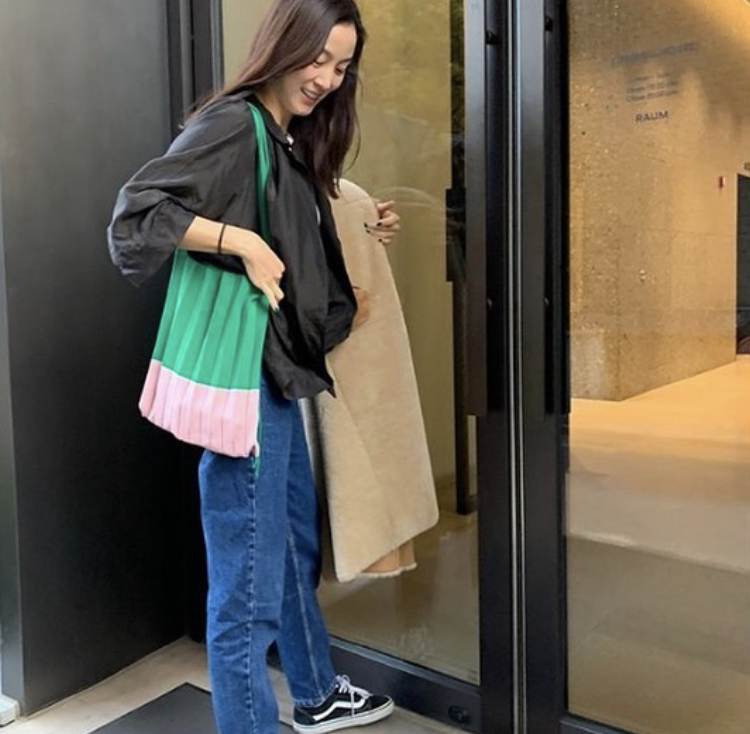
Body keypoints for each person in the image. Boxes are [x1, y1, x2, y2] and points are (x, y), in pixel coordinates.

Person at [107, 1, 401, 733]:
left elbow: (290, 219)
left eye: (342, 67)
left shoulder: (280, 135)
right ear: (284, 46)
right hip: (249, 387)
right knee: (248, 587)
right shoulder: (237, 125)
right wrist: (239, 241)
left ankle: (316, 692)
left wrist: (365, 219)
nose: (327, 79)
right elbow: (135, 216)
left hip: (277, 381)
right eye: (318, 59)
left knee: (290, 545)